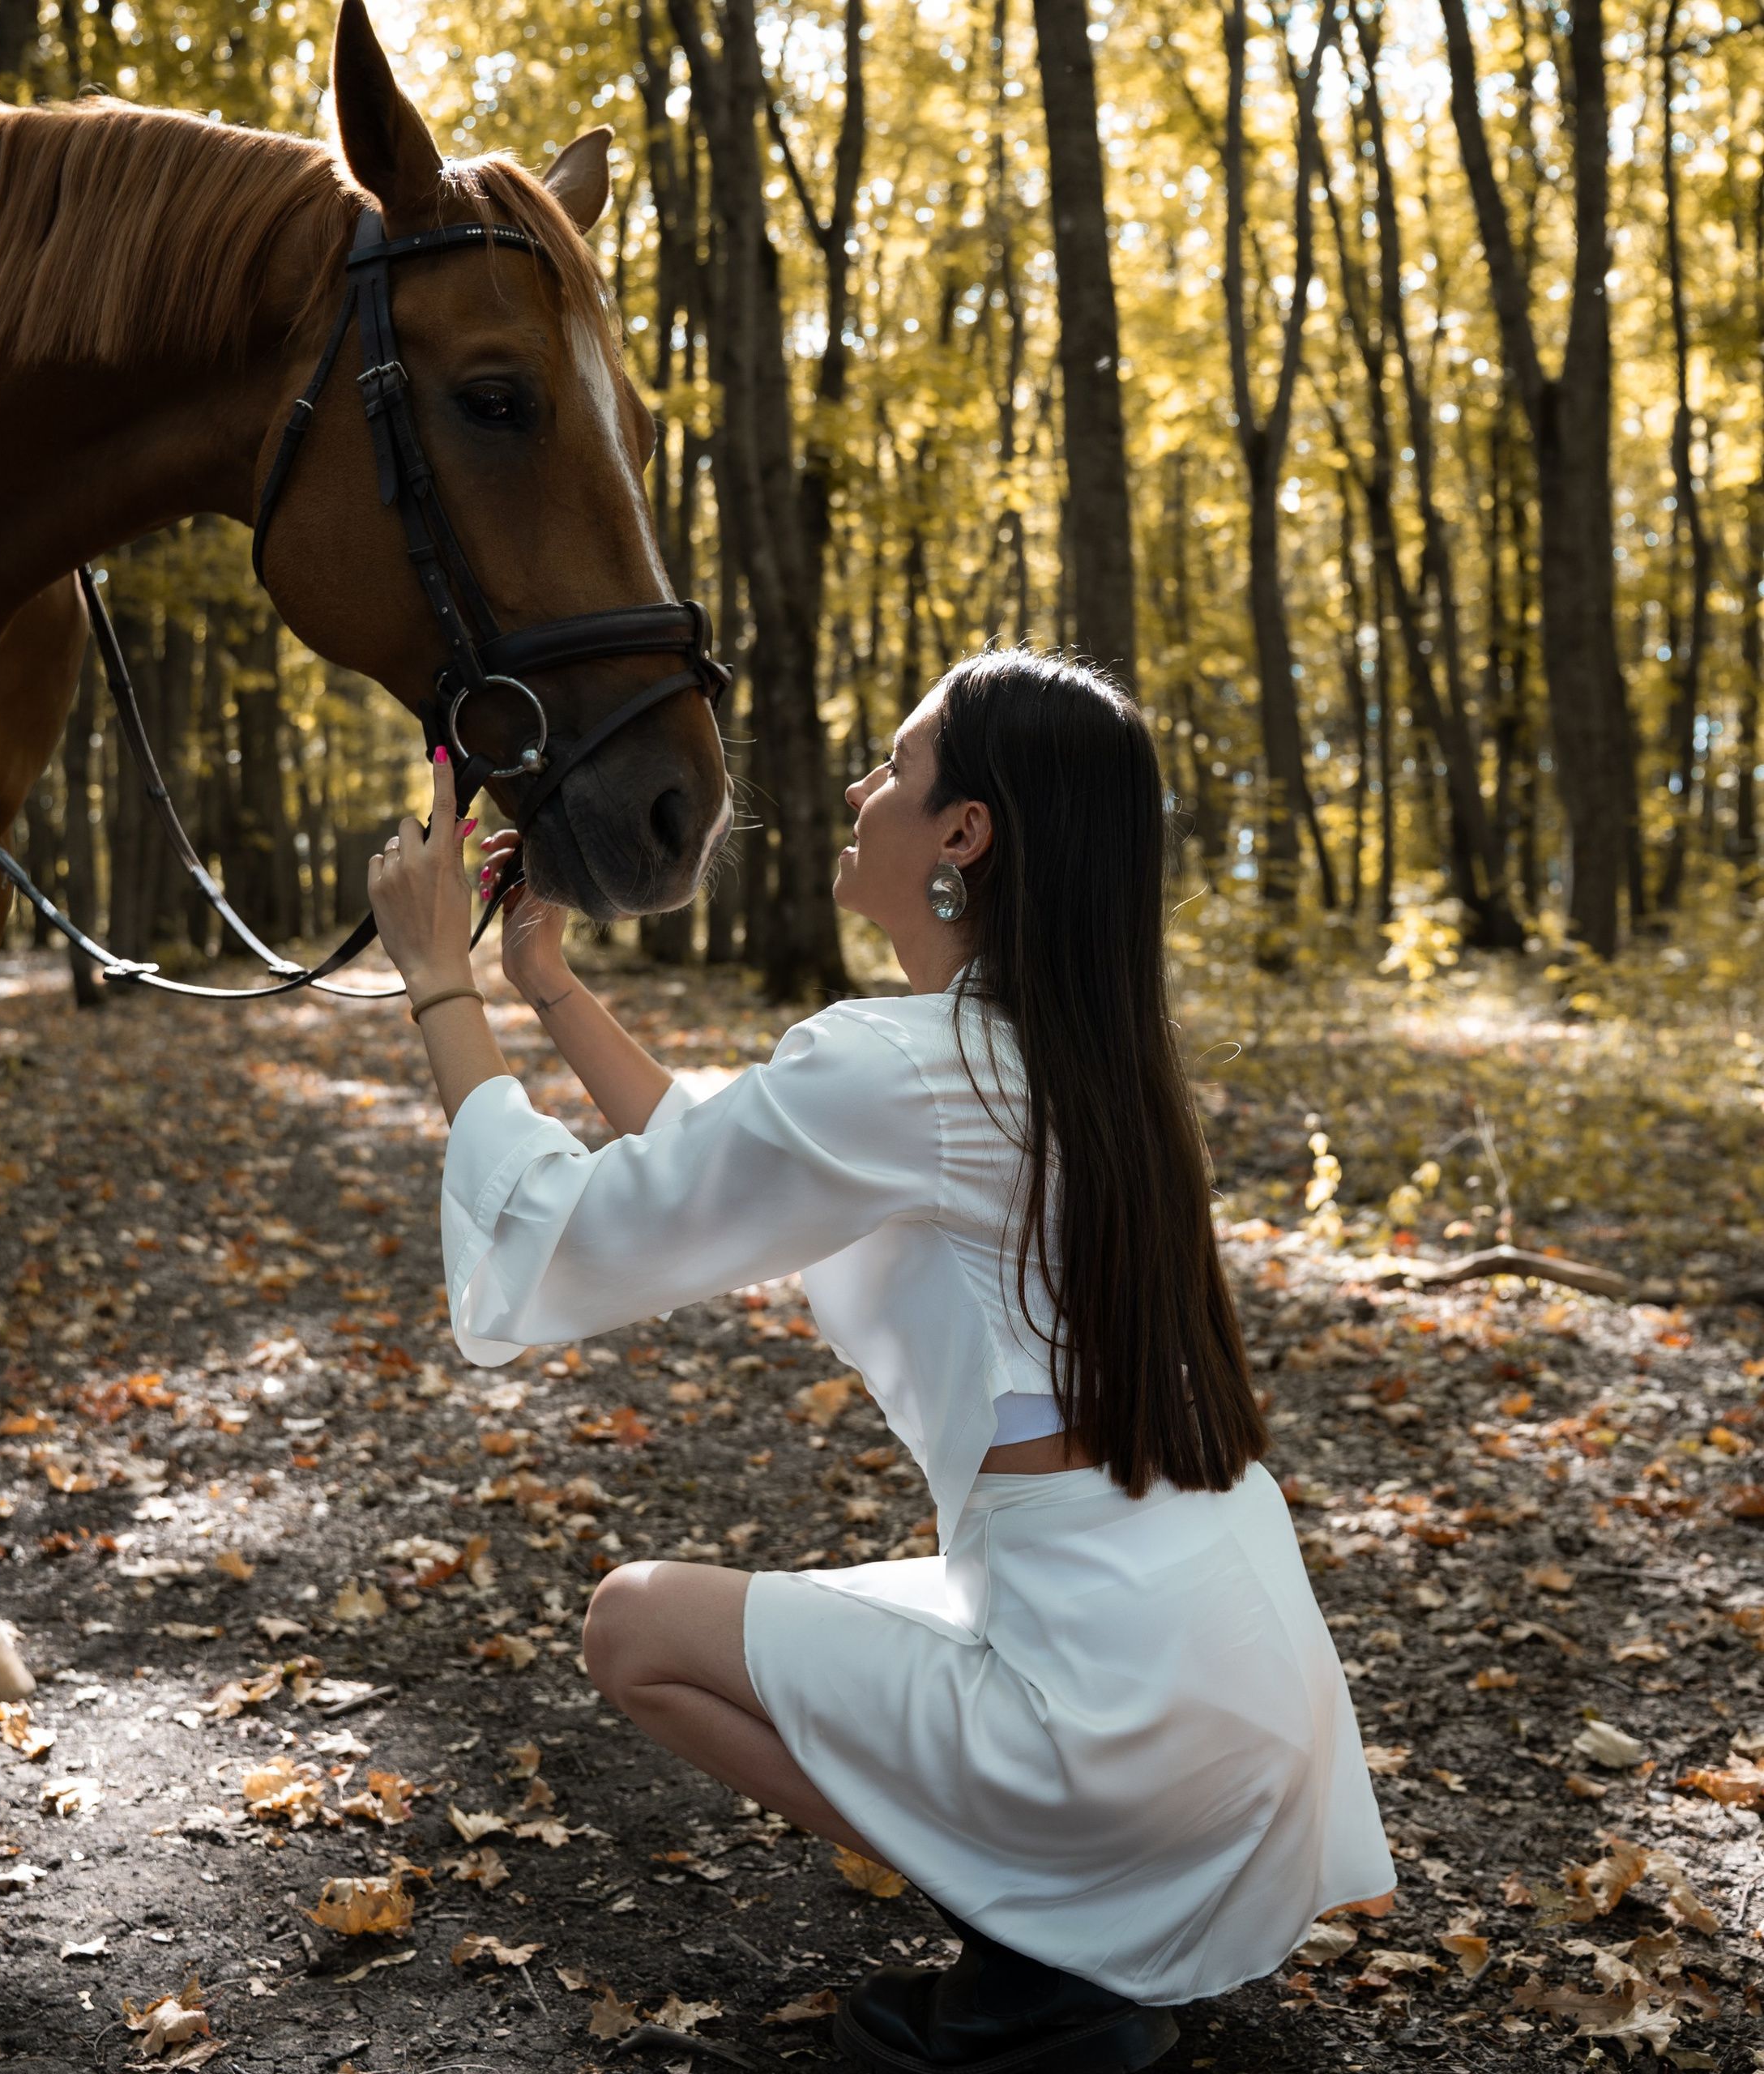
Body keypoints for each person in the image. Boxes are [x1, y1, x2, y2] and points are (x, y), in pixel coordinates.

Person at [367, 652, 1394, 2074]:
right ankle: (1070, 1924)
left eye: (898, 770)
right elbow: (728, 1165)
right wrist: (541, 983)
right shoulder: (1076, 1061)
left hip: (1106, 1720)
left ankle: (1044, 1930)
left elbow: (590, 1229)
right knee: (758, 1632)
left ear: (964, 832)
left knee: (631, 1628)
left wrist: (436, 983)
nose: (861, 791)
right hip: (1227, 1697)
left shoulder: (913, 1065)